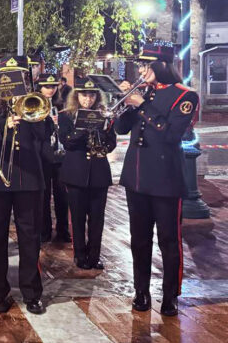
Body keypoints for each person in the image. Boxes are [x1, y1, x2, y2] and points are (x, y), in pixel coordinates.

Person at [115, 45, 198, 317]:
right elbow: (121, 128)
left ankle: (170, 295)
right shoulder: (145, 93)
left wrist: (142, 105)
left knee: (168, 241)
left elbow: (171, 134)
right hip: (136, 179)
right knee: (139, 240)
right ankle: (141, 291)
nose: (141, 70)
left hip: (165, 181)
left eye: (145, 65)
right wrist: (125, 102)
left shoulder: (185, 96)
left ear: (162, 65)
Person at [0, 55, 47, 315]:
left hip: (29, 180)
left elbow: (44, 135)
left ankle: (32, 293)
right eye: (11, 76)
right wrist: (3, 126)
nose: (16, 81)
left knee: (30, 239)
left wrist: (28, 114)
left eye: (21, 76)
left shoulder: (34, 102)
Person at [58, 78, 116, 270]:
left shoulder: (104, 115)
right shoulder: (66, 116)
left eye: (92, 95)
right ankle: (80, 254)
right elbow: (66, 142)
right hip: (76, 172)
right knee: (77, 217)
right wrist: (82, 130)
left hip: (99, 172)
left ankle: (94, 256)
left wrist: (103, 136)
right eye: (84, 95)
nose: (88, 99)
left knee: (97, 218)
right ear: (77, 96)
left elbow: (112, 143)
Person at [36, 73, 70, 243]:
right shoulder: (35, 105)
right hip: (43, 155)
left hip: (60, 156)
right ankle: (44, 230)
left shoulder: (62, 105)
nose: (50, 90)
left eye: (53, 86)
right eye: (46, 87)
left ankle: (63, 230)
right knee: (43, 196)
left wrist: (58, 123)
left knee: (62, 196)